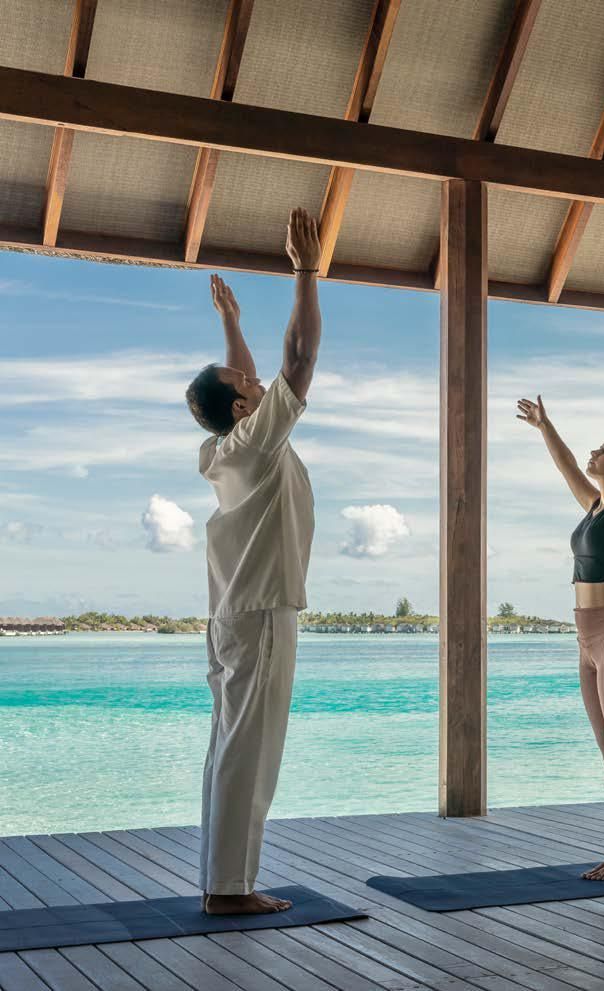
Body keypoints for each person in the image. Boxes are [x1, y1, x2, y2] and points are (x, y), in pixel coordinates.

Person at [184, 208, 321, 915]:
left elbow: (243, 379)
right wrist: (305, 273)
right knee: (251, 754)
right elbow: (297, 359)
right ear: (242, 404)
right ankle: (230, 890)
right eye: (246, 380)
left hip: (232, 616)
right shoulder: (257, 442)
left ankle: (221, 880)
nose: (257, 378)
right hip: (263, 612)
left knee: (228, 748)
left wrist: (231, 321)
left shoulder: (223, 450)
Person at [517, 356, 604, 881]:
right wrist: (544, 425)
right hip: (587, 637)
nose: (596, 453)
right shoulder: (594, 506)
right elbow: (565, 468)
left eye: (603, 448)